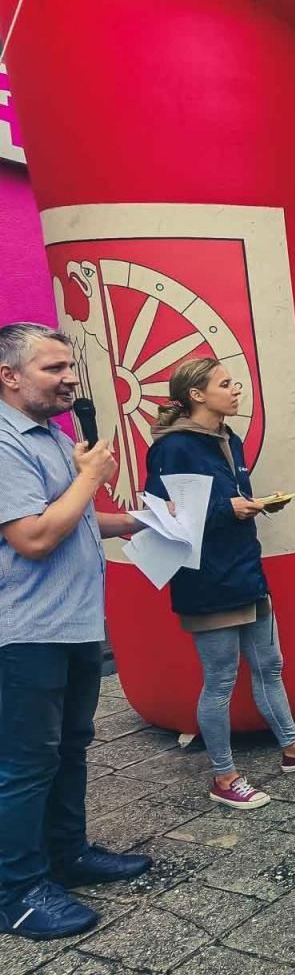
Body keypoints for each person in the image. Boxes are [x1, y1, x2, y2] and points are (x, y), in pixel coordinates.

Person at [0, 322, 152, 939]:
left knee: (69, 748)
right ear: (10, 376)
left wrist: (139, 521)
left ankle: (67, 856)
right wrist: (90, 476)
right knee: (26, 763)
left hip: (74, 624)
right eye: (53, 369)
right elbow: (33, 537)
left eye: (70, 367)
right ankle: (17, 891)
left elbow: (70, 517)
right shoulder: (5, 443)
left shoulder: (52, 437)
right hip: (27, 631)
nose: (69, 380)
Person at [144, 357, 295, 810]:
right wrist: (229, 510)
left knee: (270, 665)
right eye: (225, 384)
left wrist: (252, 505)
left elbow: (223, 501)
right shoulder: (173, 448)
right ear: (196, 395)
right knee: (220, 680)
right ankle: (224, 777)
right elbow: (162, 517)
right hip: (206, 581)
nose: (236, 390)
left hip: (245, 572)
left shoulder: (229, 438)